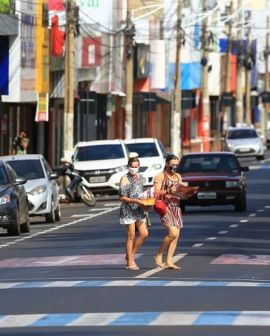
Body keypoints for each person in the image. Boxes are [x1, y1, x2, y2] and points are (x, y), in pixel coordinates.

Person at [153, 154, 183, 270]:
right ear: (166, 164)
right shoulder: (160, 176)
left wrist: (186, 192)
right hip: (165, 207)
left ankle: (169, 261)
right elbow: (156, 193)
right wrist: (169, 190)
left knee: (176, 236)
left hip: (176, 207)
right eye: (172, 165)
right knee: (173, 233)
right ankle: (158, 254)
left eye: (176, 165)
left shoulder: (178, 176)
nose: (174, 167)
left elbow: (180, 191)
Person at [119, 157, 149, 270]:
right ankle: (130, 262)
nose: (134, 169)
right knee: (131, 235)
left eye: (136, 167)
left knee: (144, 233)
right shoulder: (124, 178)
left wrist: (147, 200)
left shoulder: (140, 177)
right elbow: (122, 197)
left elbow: (142, 191)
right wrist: (135, 201)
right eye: (132, 166)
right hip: (128, 210)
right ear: (128, 166)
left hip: (140, 209)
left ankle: (130, 256)